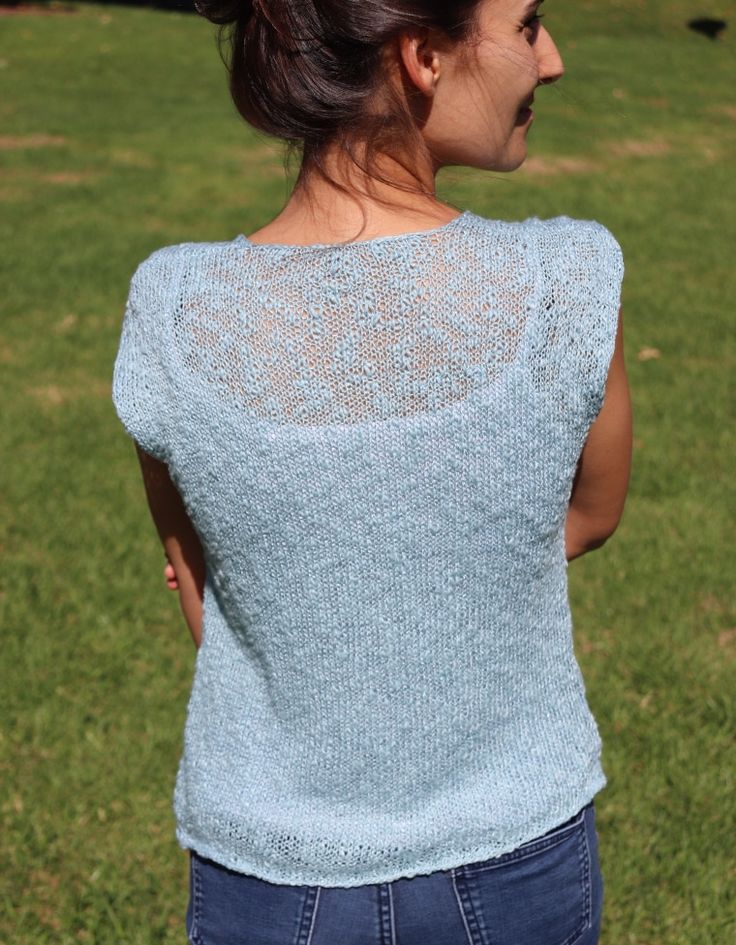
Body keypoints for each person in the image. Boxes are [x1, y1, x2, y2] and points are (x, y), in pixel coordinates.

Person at [111, 0, 632, 942]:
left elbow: (199, 583)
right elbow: (591, 514)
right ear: (424, 56)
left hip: (273, 876)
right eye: (528, 25)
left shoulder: (172, 310)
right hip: (516, 854)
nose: (550, 61)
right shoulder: (569, 280)